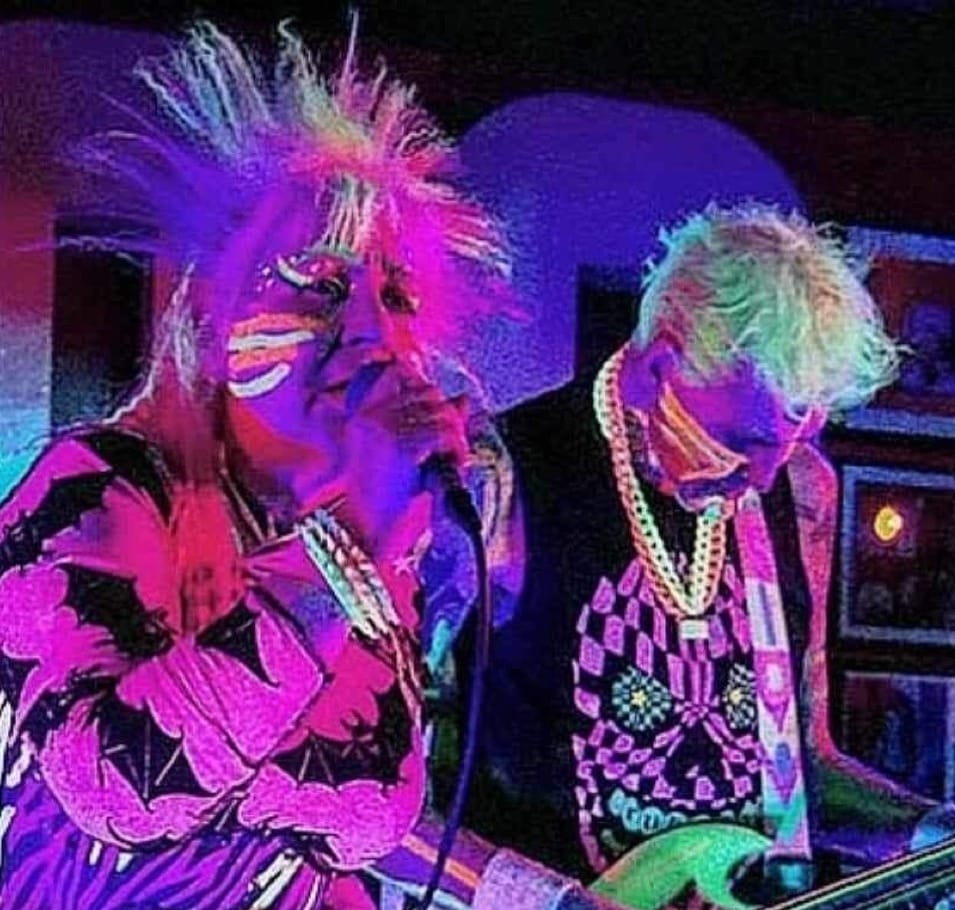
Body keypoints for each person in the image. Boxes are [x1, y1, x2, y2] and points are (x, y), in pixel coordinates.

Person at [0, 21, 518, 910]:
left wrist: (530, 892)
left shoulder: (366, 550)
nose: (372, 331)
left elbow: (339, 833)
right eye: (320, 284)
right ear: (211, 318)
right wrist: (354, 536)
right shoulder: (95, 488)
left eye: (396, 295)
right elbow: (120, 786)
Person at [472, 204, 932, 907]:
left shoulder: (802, 492)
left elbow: (806, 768)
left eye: (791, 443)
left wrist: (927, 827)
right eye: (745, 442)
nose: (764, 480)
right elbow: (406, 787)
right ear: (656, 368)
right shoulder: (501, 471)